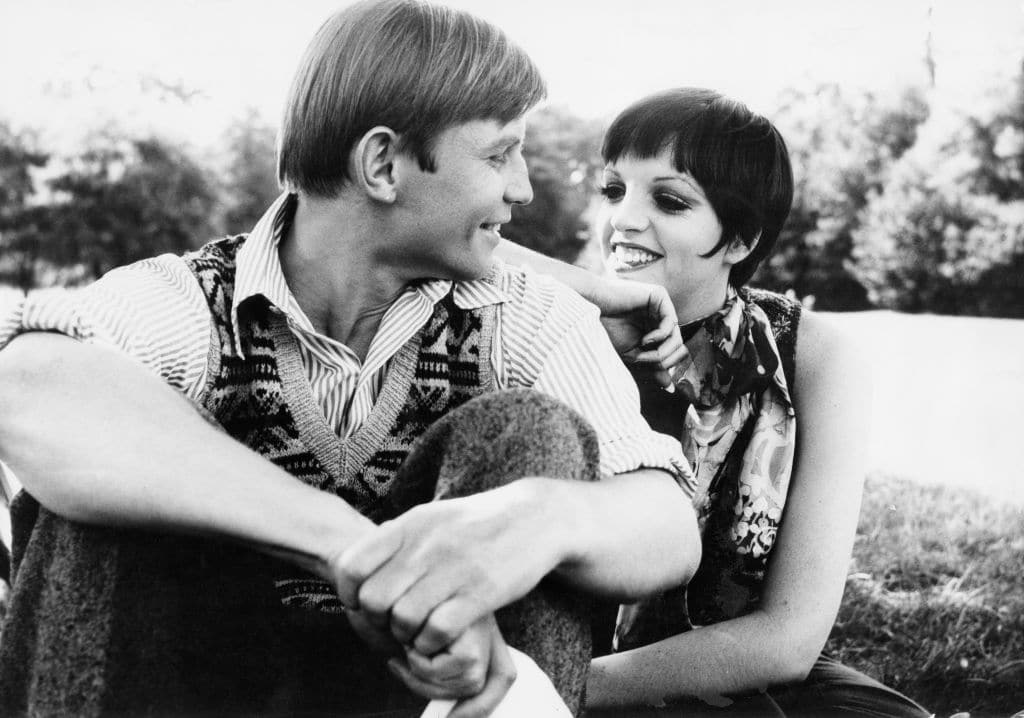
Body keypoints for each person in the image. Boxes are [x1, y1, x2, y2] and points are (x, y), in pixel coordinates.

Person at [0, 5, 702, 716]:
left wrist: (545, 519)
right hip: (195, 686)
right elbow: (23, 383)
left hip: (431, 689)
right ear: (381, 164)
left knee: (534, 436)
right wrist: (346, 547)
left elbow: (669, 525)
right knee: (108, 462)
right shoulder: (187, 304)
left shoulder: (525, 315)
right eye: (498, 155)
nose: (521, 187)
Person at [503, 88, 931, 717]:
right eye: (615, 190)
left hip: (721, 670)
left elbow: (789, 637)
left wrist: (556, 691)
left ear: (739, 240)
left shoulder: (811, 356)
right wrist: (595, 294)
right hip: (554, 654)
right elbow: (458, 249)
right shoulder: (549, 322)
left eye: (669, 200)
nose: (623, 218)